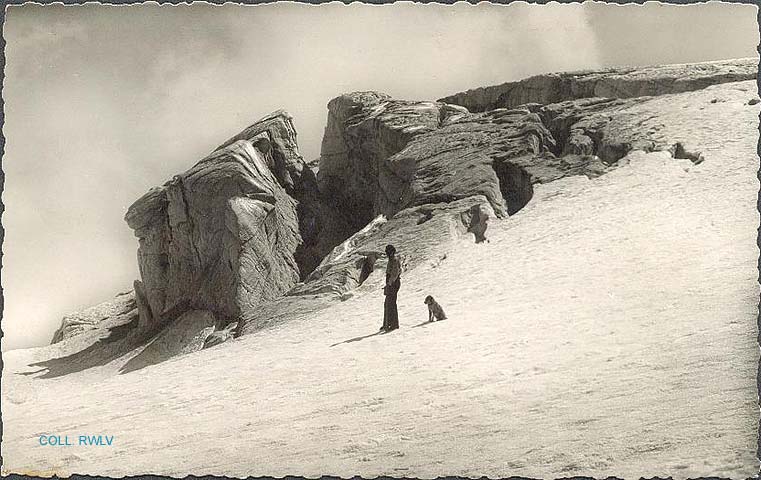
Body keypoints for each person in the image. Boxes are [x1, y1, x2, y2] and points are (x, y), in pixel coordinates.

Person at [381, 244, 401, 332]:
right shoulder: (391, 260)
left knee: (391, 303)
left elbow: (395, 273)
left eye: (388, 252)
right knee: (388, 303)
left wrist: (389, 283)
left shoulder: (394, 260)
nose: (387, 254)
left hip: (393, 283)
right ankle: (388, 323)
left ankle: (394, 324)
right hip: (391, 283)